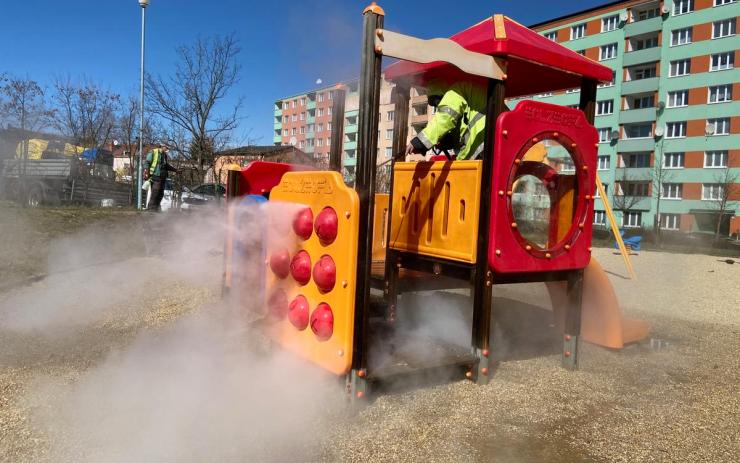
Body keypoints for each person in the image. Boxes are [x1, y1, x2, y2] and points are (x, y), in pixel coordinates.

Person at [405, 80, 488, 160]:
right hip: (486, 142)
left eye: (437, 101)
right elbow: (461, 128)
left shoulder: (454, 92)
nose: (438, 106)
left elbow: (445, 119)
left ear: (443, 94)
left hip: (481, 144)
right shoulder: (468, 93)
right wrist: (449, 141)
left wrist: (419, 142)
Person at [143, 144, 178, 211]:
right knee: (155, 192)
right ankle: (151, 208)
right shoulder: (153, 152)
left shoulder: (164, 155)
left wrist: (175, 170)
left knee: (161, 193)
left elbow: (166, 166)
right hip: (155, 175)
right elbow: (147, 163)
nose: (167, 149)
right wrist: (146, 173)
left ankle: (157, 208)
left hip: (163, 177)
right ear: (162, 147)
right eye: (166, 148)